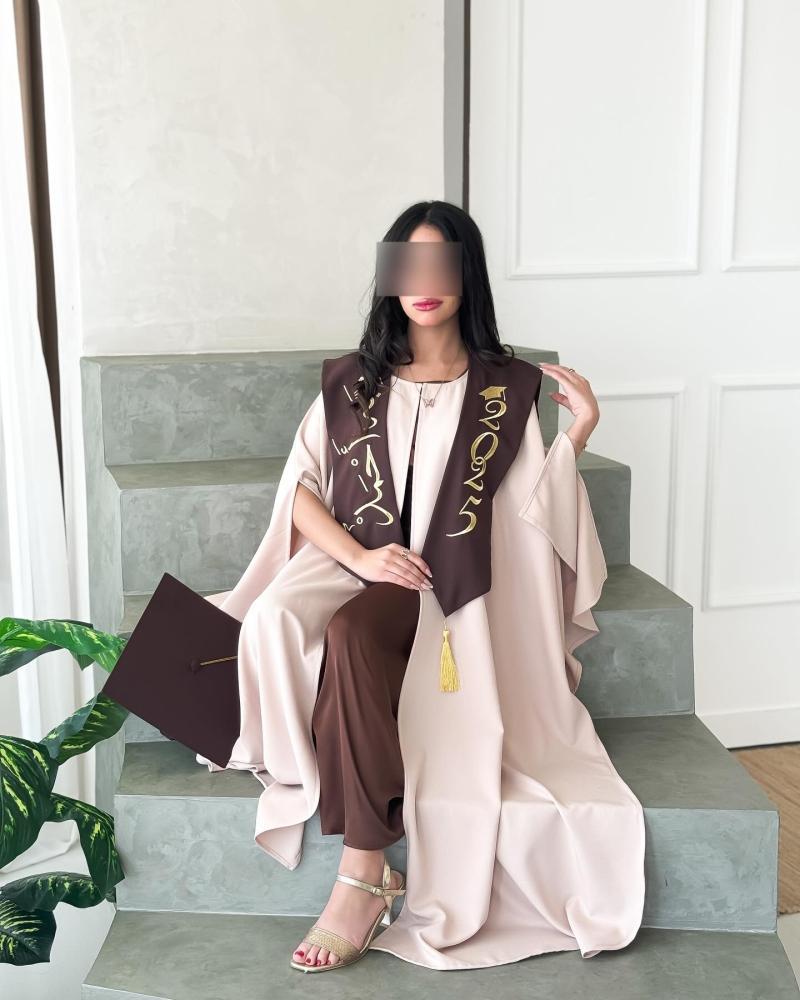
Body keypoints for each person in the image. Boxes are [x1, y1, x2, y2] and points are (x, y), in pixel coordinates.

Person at [197, 200, 646, 974]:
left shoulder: (503, 389)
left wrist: (577, 434)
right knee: (279, 618)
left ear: (467, 277)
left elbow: (530, 513)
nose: (424, 283)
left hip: (448, 583)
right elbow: (301, 490)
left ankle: (363, 871)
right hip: (355, 561)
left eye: (442, 264)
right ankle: (364, 857)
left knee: (350, 638)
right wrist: (363, 558)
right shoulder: (355, 382)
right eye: (409, 265)